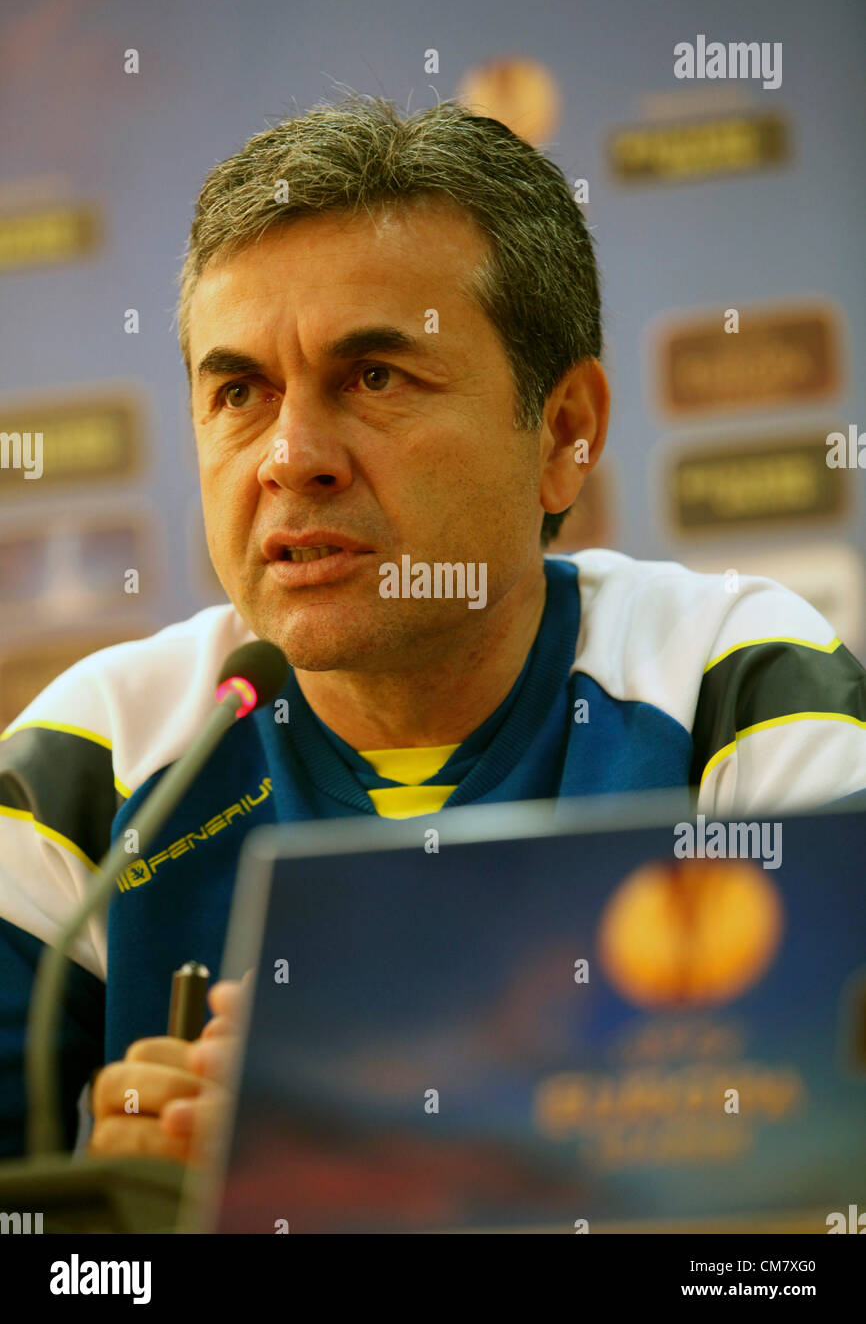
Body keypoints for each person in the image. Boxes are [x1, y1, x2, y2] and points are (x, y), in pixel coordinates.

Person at [1, 95, 863, 1164]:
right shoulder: (94, 762)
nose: (290, 457)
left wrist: (338, 1157)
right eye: (240, 392)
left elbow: (820, 1160)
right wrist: (118, 1214)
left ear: (564, 433)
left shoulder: (732, 685)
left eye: (374, 379)